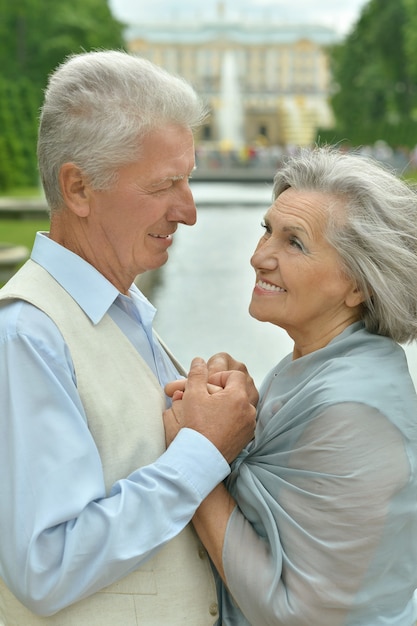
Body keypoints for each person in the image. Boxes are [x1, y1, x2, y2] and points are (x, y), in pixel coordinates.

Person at [0, 50, 258, 625]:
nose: (188, 211)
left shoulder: (119, 312)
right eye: (166, 184)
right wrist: (203, 452)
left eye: (188, 180)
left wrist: (218, 417)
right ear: (79, 188)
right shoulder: (26, 336)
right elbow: (46, 564)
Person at [164, 146, 417, 625]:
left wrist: (193, 458)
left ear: (358, 285)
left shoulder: (354, 408)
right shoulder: (316, 362)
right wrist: (235, 406)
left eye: (294, 243)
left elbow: (295, 615)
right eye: (266, 231)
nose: (260, 257)